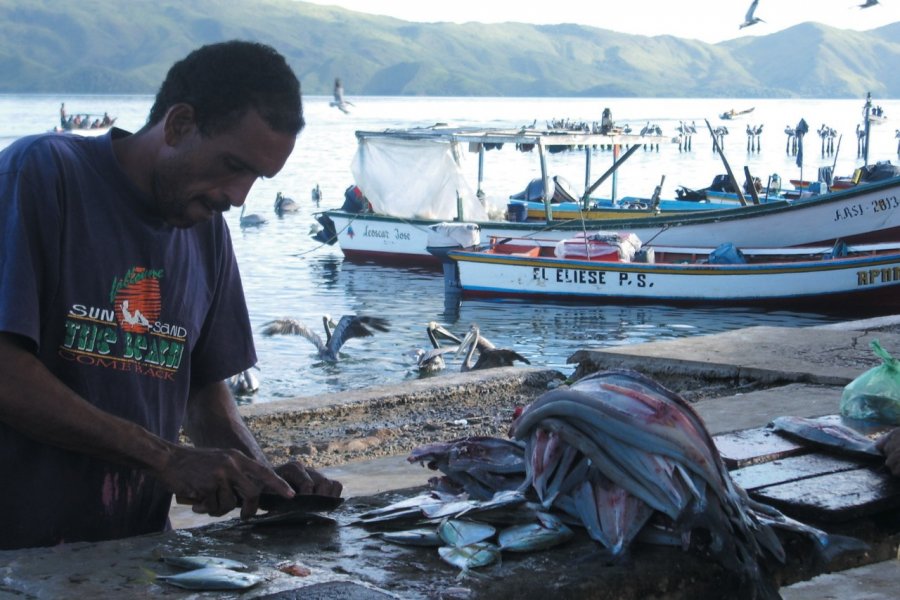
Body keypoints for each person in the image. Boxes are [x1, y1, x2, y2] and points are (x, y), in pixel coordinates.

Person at [0, 40, 341, 551]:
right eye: (233, 164)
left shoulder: (207, 232)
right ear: (179, 125)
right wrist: (165, 457)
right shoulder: (42, 173)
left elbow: (203, 392)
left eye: (258, 178)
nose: (238, 196)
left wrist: (263, 478)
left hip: (133, 553)